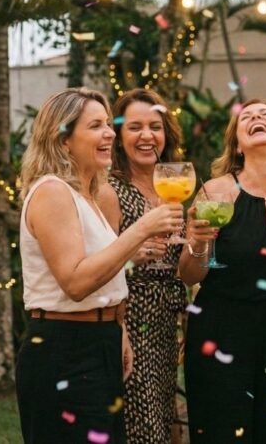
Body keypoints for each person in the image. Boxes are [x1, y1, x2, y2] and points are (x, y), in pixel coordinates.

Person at [16, 88, 182, 444]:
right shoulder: (52, 192)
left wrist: (117, 328)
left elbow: (106, 275)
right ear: (63, 140)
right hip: (64, 349)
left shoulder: (87, 196)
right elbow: (75, 281)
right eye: (96, 126)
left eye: (108, 124)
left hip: (100, 342)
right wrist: (141, 230)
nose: (109, 133)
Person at [180, 100, 266, 443]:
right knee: (222, 433)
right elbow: (189, 274)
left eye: (265, 114)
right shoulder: (215, 192)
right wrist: (198, 243)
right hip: (221, 328)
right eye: (247, 117)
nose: (256, 117)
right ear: (238, 144)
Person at [96, 89, 187, 443]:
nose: (147, 136)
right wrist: (132, 254)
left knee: (164, 417)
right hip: (131, 316)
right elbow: (99, 262)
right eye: (135, 127)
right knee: (141, 422)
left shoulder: (173, 186)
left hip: (167, 318)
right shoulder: (110, 190)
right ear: (119, 136)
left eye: (156, 126)